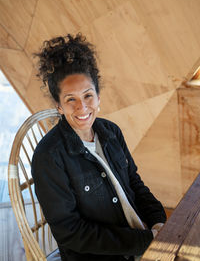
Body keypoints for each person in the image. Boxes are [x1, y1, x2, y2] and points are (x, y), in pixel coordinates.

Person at [31, 34, 166, 261]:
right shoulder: (49, 157)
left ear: (98, 97)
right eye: (70, 99)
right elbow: (71, 232)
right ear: (59, 106)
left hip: (141, 237)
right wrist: (143, 242)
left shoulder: (111, 132)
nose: (82, 107)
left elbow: (134, 182)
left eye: (87, 95)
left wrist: (158, 221)